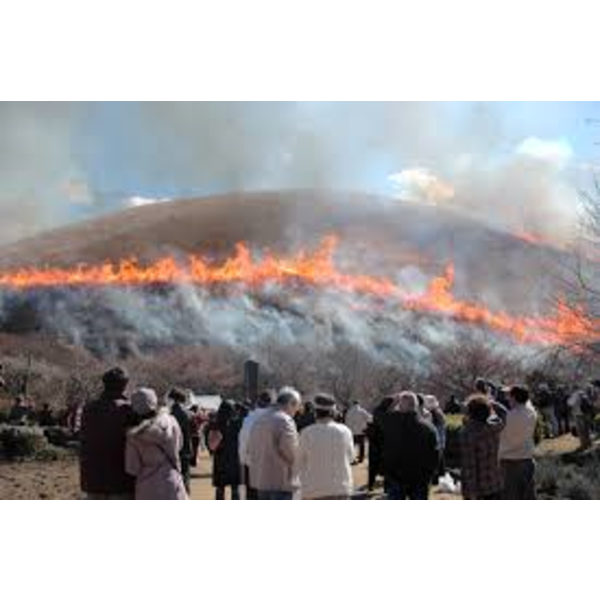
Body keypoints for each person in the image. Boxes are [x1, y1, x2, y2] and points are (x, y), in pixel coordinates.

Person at [79, 367, 136, 499]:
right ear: (124, 386)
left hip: (92, 478)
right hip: (121, 479)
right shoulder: (128, 410)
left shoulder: (88, 408)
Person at [125, 388, 187, 500]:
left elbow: (132, 468)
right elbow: (180, 445)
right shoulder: (171, 421)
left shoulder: (133, 435)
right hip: (171, 480)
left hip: (147, 486)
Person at [246, 386, 302, 500]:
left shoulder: (260, 419)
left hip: (261, 481)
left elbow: (250, 448)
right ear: (291, 403)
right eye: (297, 407)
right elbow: (291, 453)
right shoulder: (285, 420)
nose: (297, 411)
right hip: (280, 481)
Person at [382, 391, 439, 500]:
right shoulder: (429, 427)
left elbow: (378, 412)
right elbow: (435, 454)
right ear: (416, 406)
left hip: (396, 476)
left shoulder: (390, 423)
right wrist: (430, 475)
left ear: (400, 406)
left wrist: (393, 399)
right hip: (420, 478)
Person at [299, 393, 355, 499]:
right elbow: (351, 457)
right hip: (341, 488)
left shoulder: (306, 433)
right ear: (333, 412)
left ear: (315, 412)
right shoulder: (345, 431)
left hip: (313, 489)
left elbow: (299, 461)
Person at [460, 394, 507, 499]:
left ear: (470, 412)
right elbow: (504, 413)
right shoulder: (495, 428)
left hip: (479, 490)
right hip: (496, 483)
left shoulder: (468, 434)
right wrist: (491, 403)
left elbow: (470, 466)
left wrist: (470, 495)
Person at [499, 385, 538, 500]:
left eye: (509, 396)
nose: (507, 398)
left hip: (509, 462)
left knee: (510, 496)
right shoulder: (532, 413)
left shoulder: (508, 416)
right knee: (528, 496)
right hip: (527, 459)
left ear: (514, 397)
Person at [238, 390, 274, 499]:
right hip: (272, 465)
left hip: (252, 463)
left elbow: (243, 441)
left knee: (252, 496)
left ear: (258, 402)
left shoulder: (249, 420)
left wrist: (243, 459)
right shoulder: (277, 419)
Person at [207, 400, 242, 500]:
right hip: (234, 459)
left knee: (220, 489)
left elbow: (210, 444)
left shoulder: (214, 424)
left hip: (220, 459)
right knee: (235, 489)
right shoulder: (237, 423)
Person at [367, 396, 395, 492]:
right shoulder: (387, 414)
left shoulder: (376, 411)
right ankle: (386, 488)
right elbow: (386, 428)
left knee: (373, 467)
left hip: (374, 442)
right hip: (383, 443)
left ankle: (370, 485)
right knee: (387, 466)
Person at [169, 388, 194, 493]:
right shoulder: (187, 413)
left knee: (176, 477)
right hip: (186, 447)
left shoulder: (171, 413)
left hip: (173, 448)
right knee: (185, 475)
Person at [568, 385, 594, 450]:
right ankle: (589, 443)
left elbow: (569, 403)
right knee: (587, 429)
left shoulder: (574, 394)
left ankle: (583, 445)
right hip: (586, 414)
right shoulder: (584, 393)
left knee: (581, 431)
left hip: (578, 414)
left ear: (574, 388)